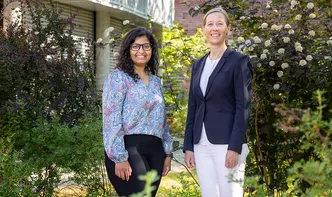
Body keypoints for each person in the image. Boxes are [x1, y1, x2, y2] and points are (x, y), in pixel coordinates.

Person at [183, 7, 253, 197]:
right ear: (204, 29)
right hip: (201, 144)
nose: (215, 28)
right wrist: (188, 146)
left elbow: (243, 106)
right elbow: (193, 106)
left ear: (228, 29)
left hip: (227, 143)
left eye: (220, 24)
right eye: (210, 24)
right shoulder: (198, 64)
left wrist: (235, 146)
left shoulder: (239, 61)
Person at [102, 27, 173, 197]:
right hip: (129, 149)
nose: (141, 51)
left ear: (152, 50)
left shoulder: (156, 82)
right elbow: (111, 119)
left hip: (156, 151)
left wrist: (168, 153)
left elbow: (162, 121)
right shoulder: (118, 78)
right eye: (135, 46)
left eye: (146, 46)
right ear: (128, 50)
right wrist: (119, 158)